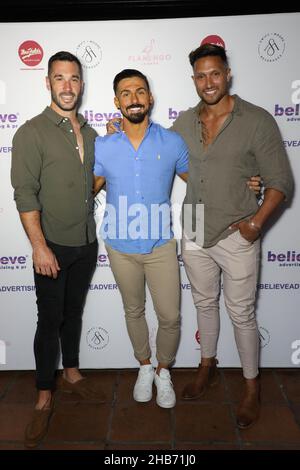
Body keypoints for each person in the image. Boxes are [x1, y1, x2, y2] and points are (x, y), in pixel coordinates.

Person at [171, 43, 293, 429]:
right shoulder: (184, 123)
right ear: (194, 80)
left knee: (241, 313)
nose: (209, 82)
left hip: (237, 230)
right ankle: (207, 365)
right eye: (201, 76)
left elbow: (281, 182)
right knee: (204, 304)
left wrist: (255, 223)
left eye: (215, 73)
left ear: (228, 75)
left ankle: (252, 388)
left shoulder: (256, 120)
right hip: (193, 225)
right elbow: (167, 157)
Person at [11, 51, 105, 449]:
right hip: (51, 247)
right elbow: (25, 194)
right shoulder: (31, 132)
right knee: (49, 320)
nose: (68, 86)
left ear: (82, 84)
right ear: (47, 83)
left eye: (74, 78)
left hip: (86, 242)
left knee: (73, 312)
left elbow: (94, 181)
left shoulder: (93, 132)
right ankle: (43, 395)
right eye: (60, 78)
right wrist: (39, 247)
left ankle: (71, 372)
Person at [94, 69, 190, 409]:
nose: (133, 98)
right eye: (125, 93)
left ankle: (164, 370)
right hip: (119, 245)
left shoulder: (173, 142)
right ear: (116, 102)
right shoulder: (103, 145)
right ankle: (145, 366)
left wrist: (246, 184)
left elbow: (205, 179)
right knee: (133, 310)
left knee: (170, 316)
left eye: (139, 91)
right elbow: (85, 189)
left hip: (161, 243)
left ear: (150, 98)